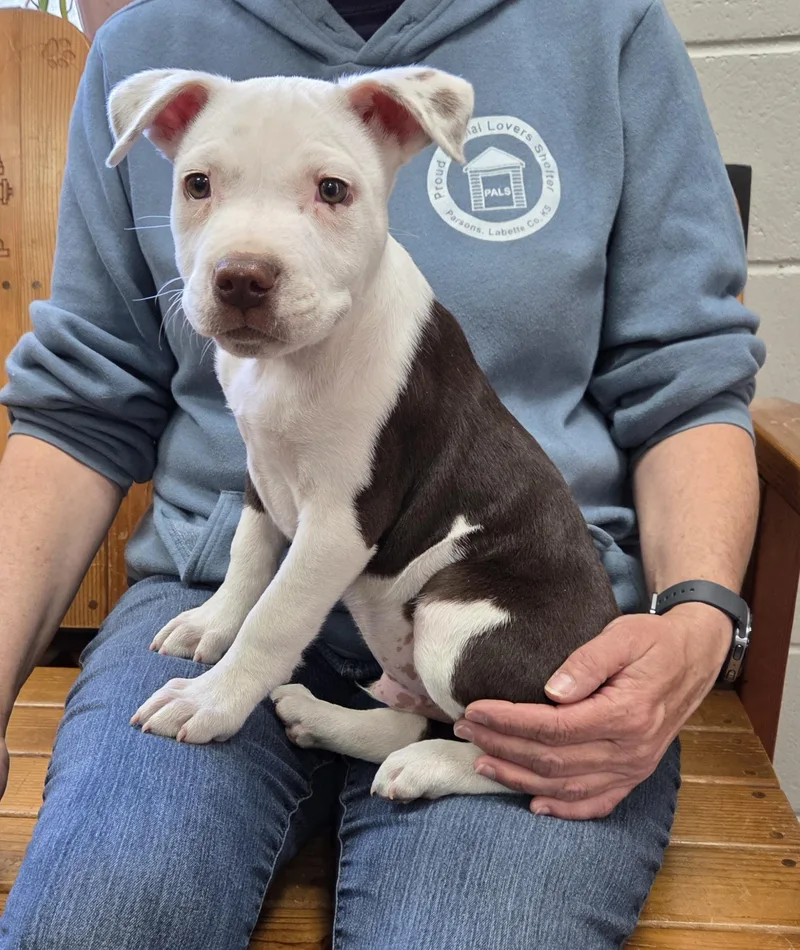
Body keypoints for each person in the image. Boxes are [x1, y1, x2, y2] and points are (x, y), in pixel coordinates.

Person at [0, 0, 765, 947]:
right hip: (207, 595)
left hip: (501, 601)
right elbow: (84, 406)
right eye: (200, 186)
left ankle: (434, 734)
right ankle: (382, 722)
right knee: (91, 926)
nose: (247, 255)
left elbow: (689, 382)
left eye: (327, 190)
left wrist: (697, 620)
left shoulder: (604, 28)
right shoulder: (151, 45)